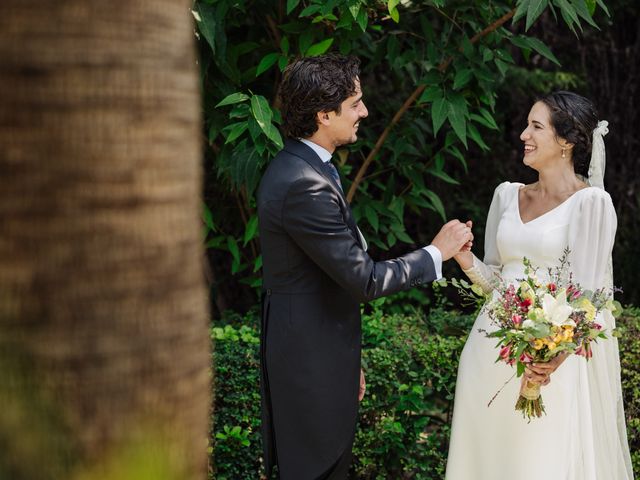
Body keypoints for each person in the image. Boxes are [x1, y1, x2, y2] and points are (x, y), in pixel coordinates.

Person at [257, 53, 473, 480]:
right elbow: (365, 280)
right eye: (355, 103)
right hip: (308, 366)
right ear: (323, 114)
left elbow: (324, 278)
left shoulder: (306, 168)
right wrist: (437, 252)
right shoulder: (304, 185)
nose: (365, 112)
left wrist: (344, 358)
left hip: (318, 355)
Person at [446, 91, 634, 480]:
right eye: (526, 125)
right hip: (488, 350)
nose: (522, 135)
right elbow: (497, 281)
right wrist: (465, 258)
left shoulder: (591, 205)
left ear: (566, 141)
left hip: (551, 363)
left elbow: (590, 300)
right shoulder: (506, 195)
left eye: (536, 126)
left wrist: (552, 360)